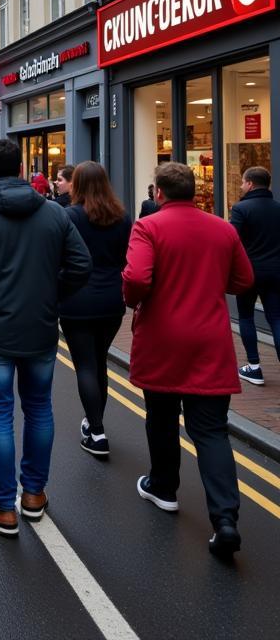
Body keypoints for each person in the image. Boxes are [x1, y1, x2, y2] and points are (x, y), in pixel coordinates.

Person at [0, 139, 91, 536]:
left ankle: (2, 504)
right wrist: (52, 295)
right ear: (21, 167)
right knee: (39, 408)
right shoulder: (53, 212)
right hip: (40, 326)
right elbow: (81, 264)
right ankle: (35, 495)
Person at [123, 162, 253, 558]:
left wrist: (132, 302)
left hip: (163, 338)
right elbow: (244, 280)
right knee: (212, 431)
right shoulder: (222, 228)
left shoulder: (149, 227)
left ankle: (164, 488)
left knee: (161, 418)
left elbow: (137, 278)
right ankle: (225, 519)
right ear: (194, 191)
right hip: (210, 341)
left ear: (158, 193)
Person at [60, 162, 131, 458]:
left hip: (77, 299)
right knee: (99, 361)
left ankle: (97, 432)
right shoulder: (122, 217)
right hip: (112, 300)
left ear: (77, 184)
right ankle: (93, 422)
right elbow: (127, 257)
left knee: (86, 365)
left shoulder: (69, 216)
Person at [229, 166, 280, 386]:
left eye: (242, 182)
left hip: (249, 273)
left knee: (246, 317)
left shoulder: (241, 208)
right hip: (276, 272)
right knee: (277, 318)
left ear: (250, 183)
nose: (241, 186)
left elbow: (231, 239)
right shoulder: (278, 208)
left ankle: (254, 367)